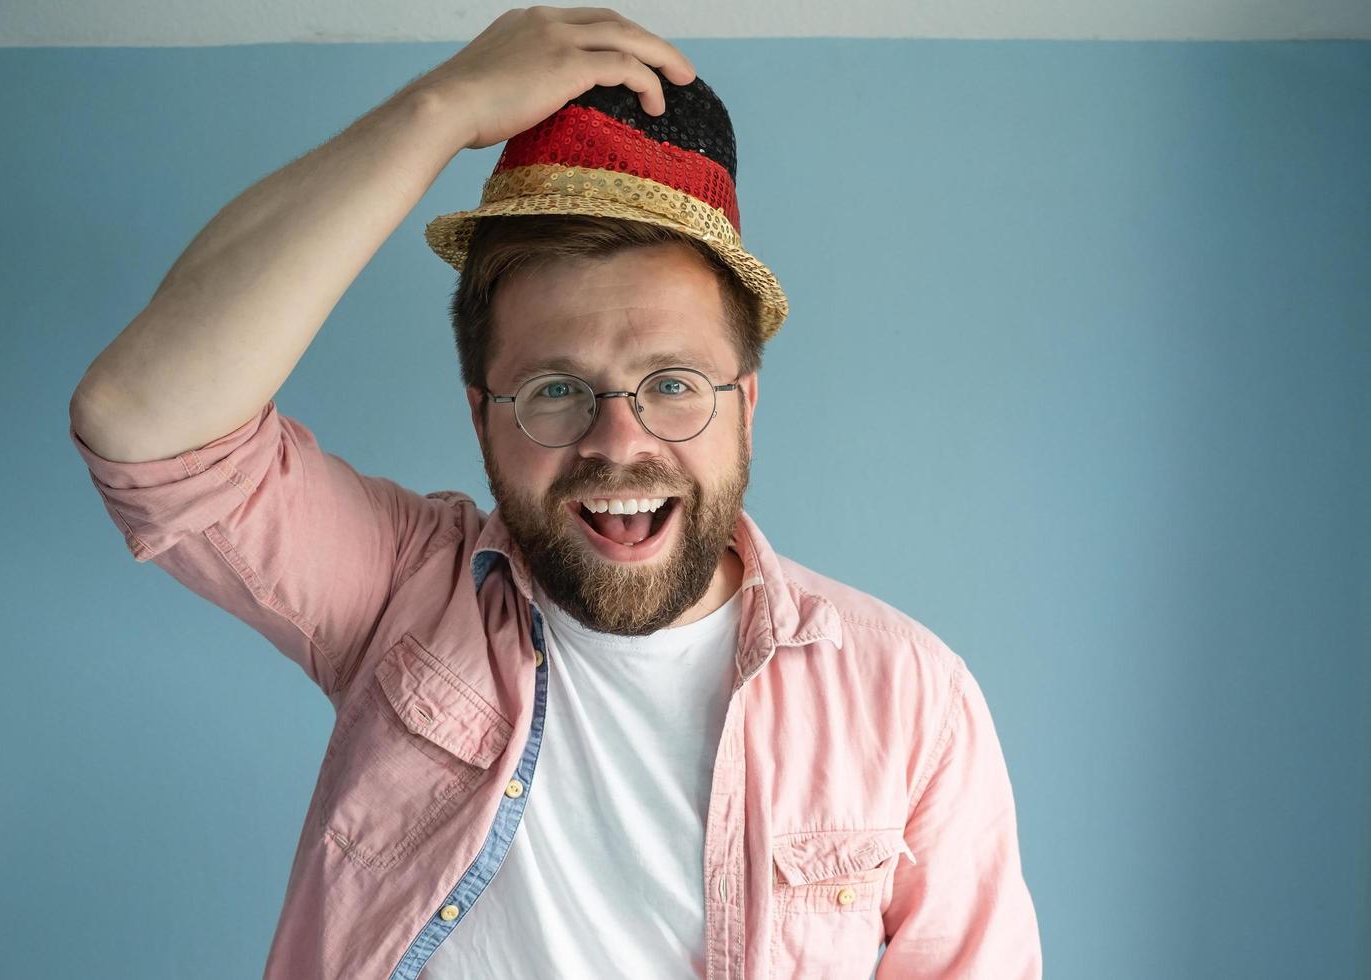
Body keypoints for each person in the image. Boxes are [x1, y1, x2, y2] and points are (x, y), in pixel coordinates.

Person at [68, 6, 1042, 978]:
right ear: (483, 413)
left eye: (672, 384)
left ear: (745, 406)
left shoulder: (910, 696)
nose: (618, 443)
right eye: (555, 390)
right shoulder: (406, 592)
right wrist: (436, 110)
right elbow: (143, 421)